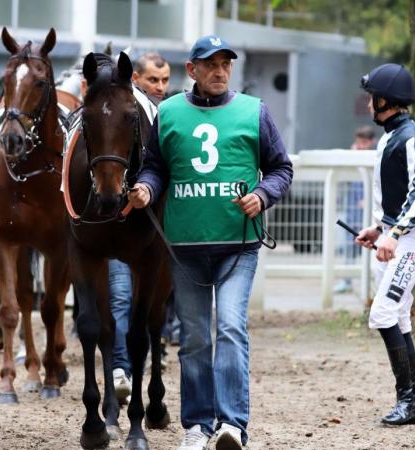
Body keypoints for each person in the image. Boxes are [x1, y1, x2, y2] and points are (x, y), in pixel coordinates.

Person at [129, 36, 292, 450]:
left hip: (238, 244)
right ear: (193, 70)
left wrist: (263, 195)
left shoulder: (254, 112)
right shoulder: (168, 113)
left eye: (226, 64)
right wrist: (146, 190)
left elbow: (280, 168)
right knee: (196, 337)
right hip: (184, 248)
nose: (220, 71)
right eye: (211, 64)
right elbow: (154, 168)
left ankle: (233, 425)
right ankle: (198, 425)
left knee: (232, 327)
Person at [355, 63, 415, 426]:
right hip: (399, 237)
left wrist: (394, 234)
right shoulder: (390, 137)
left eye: (372, 98)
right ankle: (412, 402)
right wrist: (378, 229)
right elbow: (398, 197)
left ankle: (408, 400)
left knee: (383, 313)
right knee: (398, 315)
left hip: (413, 241)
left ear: (385, 99)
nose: (368, 104)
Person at [111, 52, 171, 405]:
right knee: (120, 295)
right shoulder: (123, 114)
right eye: (153, 80)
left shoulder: (171, 113)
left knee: (155, 301)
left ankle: (153, 353)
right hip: (120, 220)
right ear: (135, 78)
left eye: (164, 81)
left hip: (158, 225)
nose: (160, 88)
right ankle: (121, 368)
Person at [334, 125, 377, 293]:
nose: (361, 146)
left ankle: (371, 283)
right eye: (359, 142)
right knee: (349, 244)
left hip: (370, 211)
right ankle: (347, 280)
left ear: (372, 142)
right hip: (354, 208)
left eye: (365, 142)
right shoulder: (355, 155)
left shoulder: (377, 156)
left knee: (372, 247)